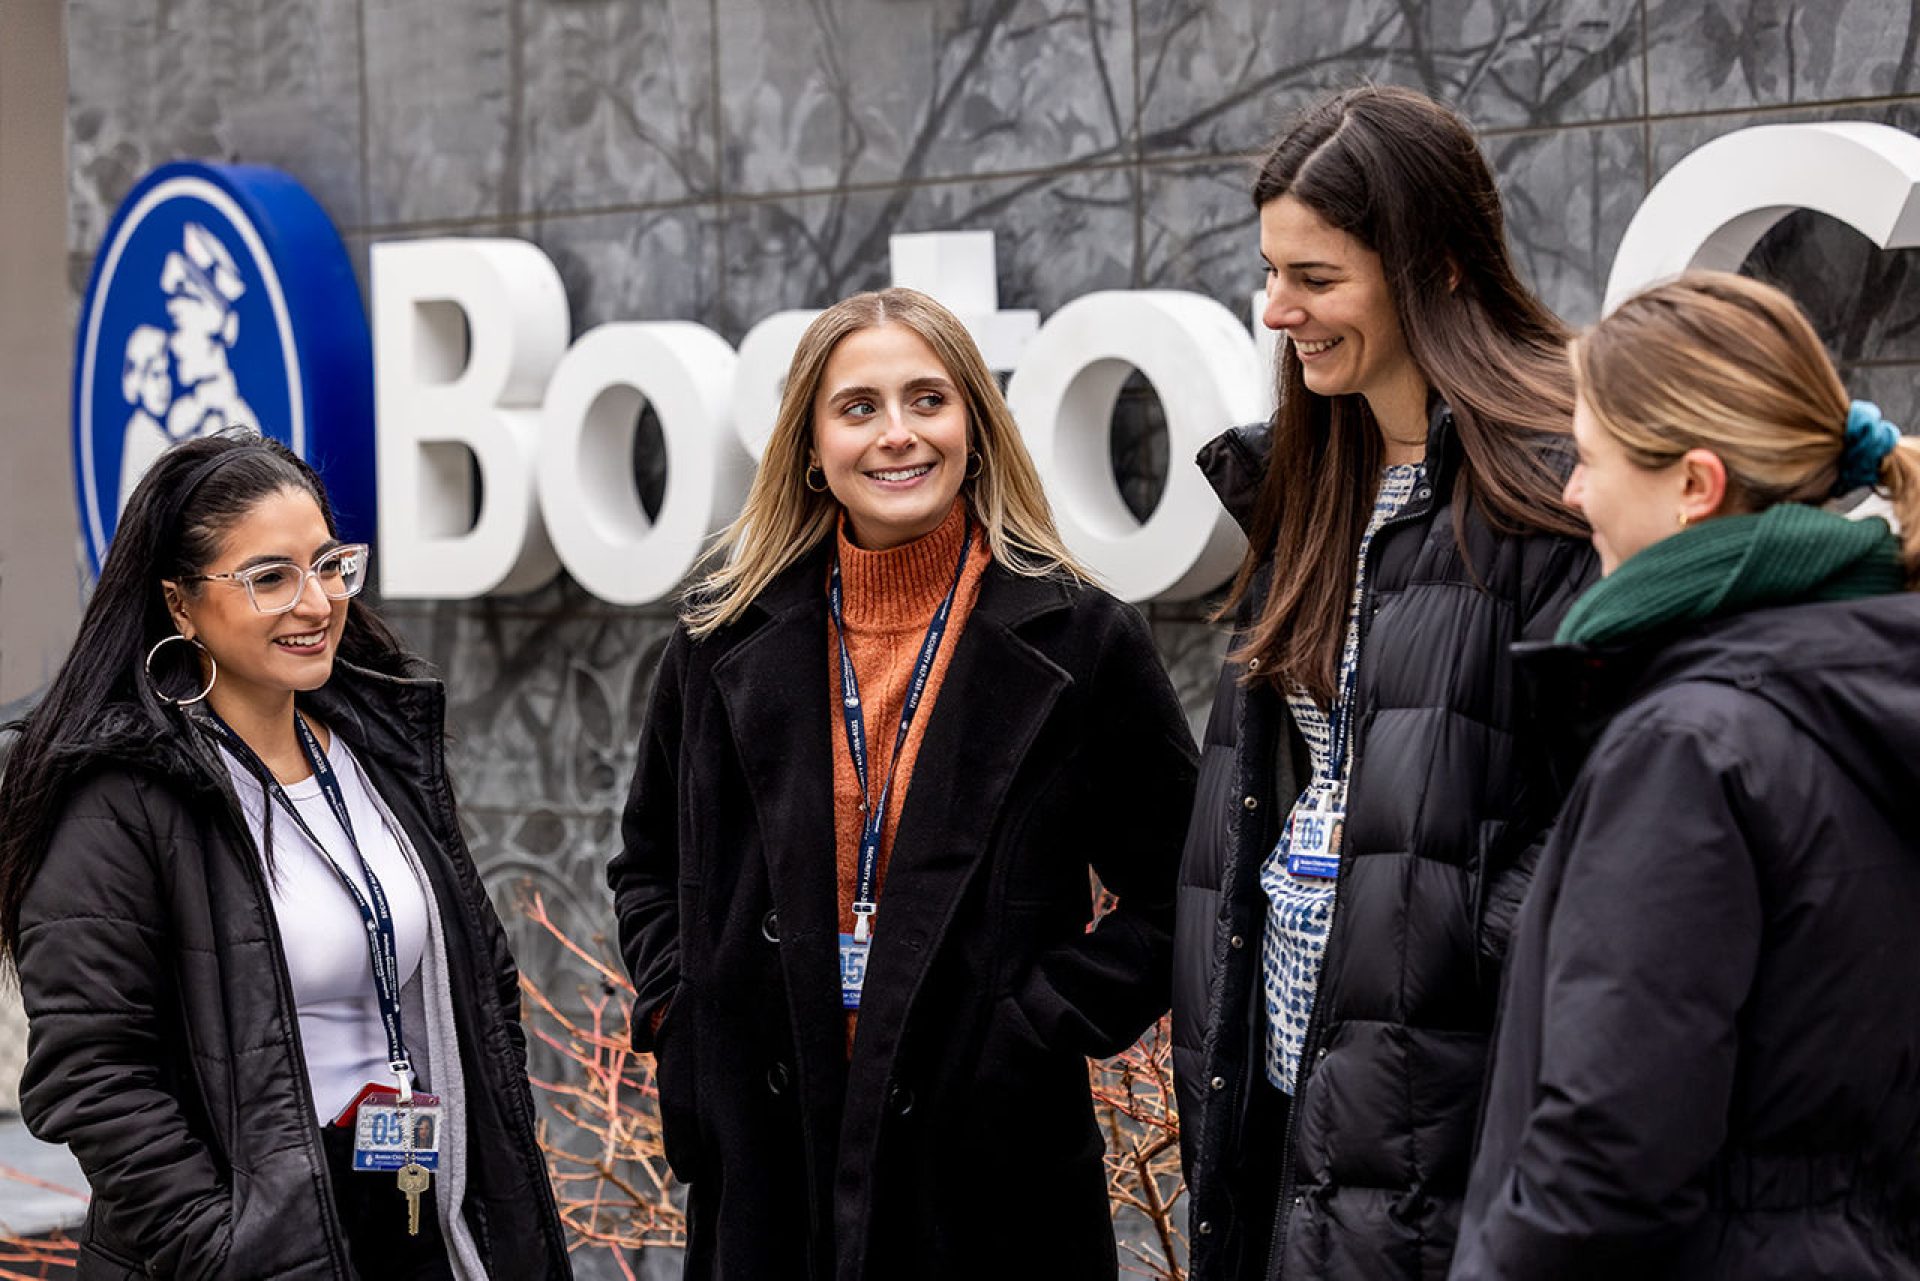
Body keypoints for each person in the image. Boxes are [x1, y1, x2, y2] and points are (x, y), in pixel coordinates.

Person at [607, 287, 1197, 1280]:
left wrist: (1039, 1021)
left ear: (974, 422)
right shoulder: (722, 633)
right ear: (810, 446)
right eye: (858, 408)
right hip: (768, 1163)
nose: (898, 435)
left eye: (928, 400)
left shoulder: (1080, 639)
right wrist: (683, 1011)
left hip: (987, 1166)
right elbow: (649, 866)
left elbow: (1184, 884)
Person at [1170, 84, 1601, 1280]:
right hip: (1277, 1073)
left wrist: (1455, 929)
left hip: (1449, 1088)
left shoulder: (1562, 481)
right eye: (1269, 272)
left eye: (1314, 277)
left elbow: (1619, 796)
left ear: (1440, 265)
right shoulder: (1310, 475)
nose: (1276, 311)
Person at [0, 432, 569, 1279]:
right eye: (270, 577)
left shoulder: (376, 747)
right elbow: (93, 1071)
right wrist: (222, 1245)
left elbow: (478, 975)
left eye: (330, 563)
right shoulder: (119, 792)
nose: (317, 602)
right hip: (255, 1243)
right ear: (181, 603)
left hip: (418, 1200)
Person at [1452, 271, 1920, 1280]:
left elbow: (1607, 1160)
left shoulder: (1689, 746)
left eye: (1588, 460)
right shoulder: (1867, 685)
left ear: (1695, 486)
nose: (1572, 496)